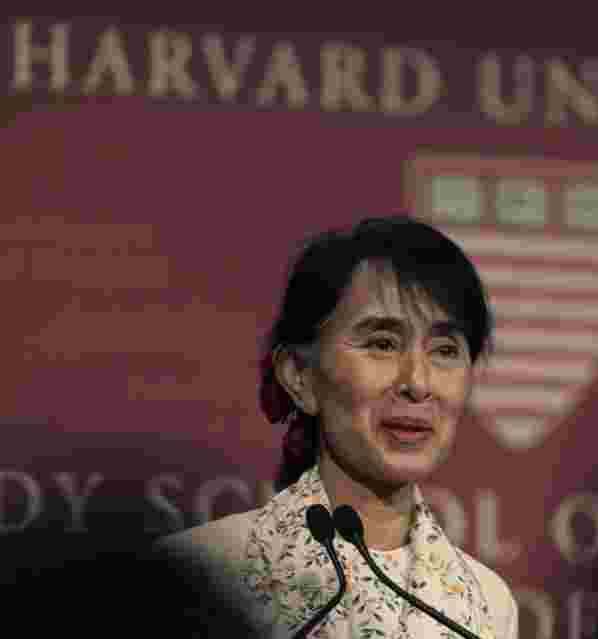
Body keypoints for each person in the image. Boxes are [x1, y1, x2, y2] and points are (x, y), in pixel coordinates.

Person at [157, 215, 518, 639]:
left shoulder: (489, 606)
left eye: (444, 350)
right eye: (382, 344)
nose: (418, 383)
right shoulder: (200, 576)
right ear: (299, 375)